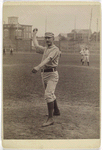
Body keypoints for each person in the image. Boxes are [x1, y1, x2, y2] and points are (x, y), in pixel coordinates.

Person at [32, 29, 61, 127]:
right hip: (44, 75)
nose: (47, 40)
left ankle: (50, 119)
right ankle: (56, 111)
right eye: (46, 38)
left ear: (53, 39)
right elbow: (36, 46)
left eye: (49, 38)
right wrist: (34, 35)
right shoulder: (46, 49)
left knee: (48, 94)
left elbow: (48, 59)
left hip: (52, 74)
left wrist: (38, 66)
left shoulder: (55, 49)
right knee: (50, 93)